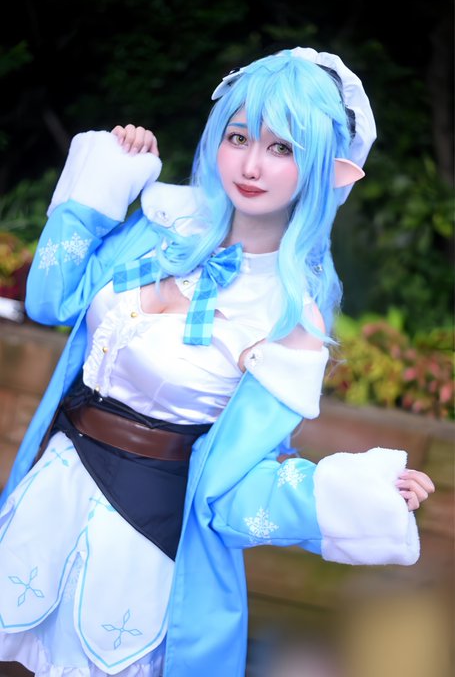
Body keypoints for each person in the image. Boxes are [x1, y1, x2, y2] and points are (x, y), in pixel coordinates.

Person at [0, 47, 434, 677]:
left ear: (327, 169)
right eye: (239, 137)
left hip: (143, 537)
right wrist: (105, 185)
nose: (252, 165)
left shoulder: (291, 318)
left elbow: (235, 489)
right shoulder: (158, 226)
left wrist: (355, 495)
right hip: (50, 492)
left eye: (283, 148)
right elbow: (50, 300)